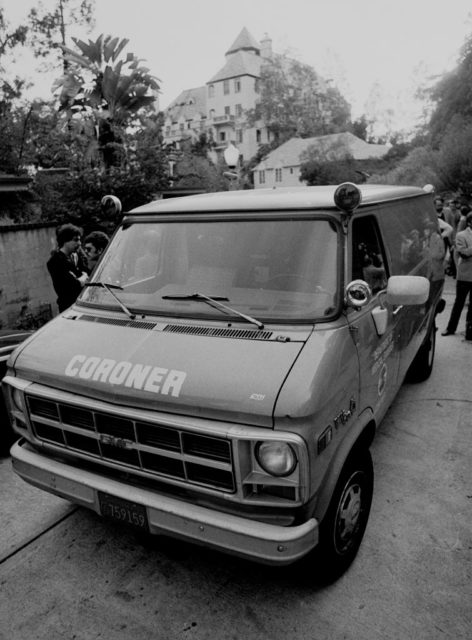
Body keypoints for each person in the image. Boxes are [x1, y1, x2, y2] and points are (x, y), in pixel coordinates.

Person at [441, 212, 472, 340]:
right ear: (470, 222)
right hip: (465, 275)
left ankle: (470, 331)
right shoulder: (461, 235)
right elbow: (464, 253)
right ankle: (451, 328)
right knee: (459, 303)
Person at [47, 224, 88, 312]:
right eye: (76, 240)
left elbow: (87, 272)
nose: (79, 243)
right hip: (68, 308)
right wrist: (83, 278)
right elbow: (74, 285)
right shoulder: (55, 262)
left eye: (79, 240)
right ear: (65, 241)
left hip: (82, 304)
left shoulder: (76, 256)